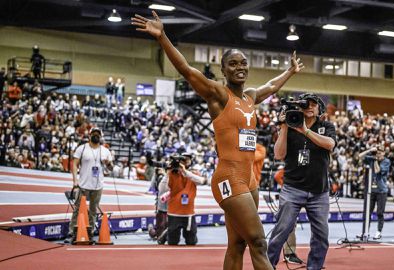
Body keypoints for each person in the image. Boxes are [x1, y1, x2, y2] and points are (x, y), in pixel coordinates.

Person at [132, 11, 303, 269]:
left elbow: (271, 86)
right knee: (258, 241)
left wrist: (289, 72)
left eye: (243, 63)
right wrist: (163, 36)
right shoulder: (218, 95)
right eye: (233, 64)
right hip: (228, 178)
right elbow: (187, 71)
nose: (240, 67)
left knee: (238, 244)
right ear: (223, 70)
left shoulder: (249, 97)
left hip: (249, 179)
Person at [267, 93, 335, 270]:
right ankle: (266, 266)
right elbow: (279, 155)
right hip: (292, 188)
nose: (309, 107)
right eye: (306, 104)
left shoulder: (326, 126)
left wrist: (305, 131)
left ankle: (314, 267)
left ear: (319, 108)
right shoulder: (289, 126)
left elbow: (329, 144)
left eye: (313, 104)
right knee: (281, 231)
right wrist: (283, 127)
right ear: (299, 107)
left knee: (321, 235)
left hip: (319, 192)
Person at [69, 127, 113, 242]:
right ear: (89, 135)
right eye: (94, 133)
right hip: (83, 184)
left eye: (98, 134)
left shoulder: (105, 151)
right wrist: (75, 180)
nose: (96, 135)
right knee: (77, 209)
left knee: (93, 211)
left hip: (98, 185)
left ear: (101, 137)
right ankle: (72, 231)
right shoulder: (82, 148)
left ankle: (90, 231)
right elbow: (74, 164)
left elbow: (111, 168)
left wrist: (108, 163)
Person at [161, 154, 206, 245]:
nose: (185, 162)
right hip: (174, 211)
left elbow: (202, 181)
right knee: (173, 242)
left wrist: (185, 172)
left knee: (191, 242)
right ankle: (166, 234)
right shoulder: (172, 174)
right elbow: (163, 189)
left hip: (188, 213)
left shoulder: (193, 174)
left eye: (187, 160)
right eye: (182, 160)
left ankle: (168, 232)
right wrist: (167, 173)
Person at [369, 146, 391, 240]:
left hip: (382, 191)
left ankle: (378, 232)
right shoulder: (373, 158)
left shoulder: (386, 161)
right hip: (371, 190)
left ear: (384, 153)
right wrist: (369, 151)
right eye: (377, 152)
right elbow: (359, 157)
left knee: (380, 212)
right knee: (368, 212)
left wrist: (375, 161)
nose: (379, 153)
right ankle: (365, 231)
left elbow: (378, 171)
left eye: (381, 152)